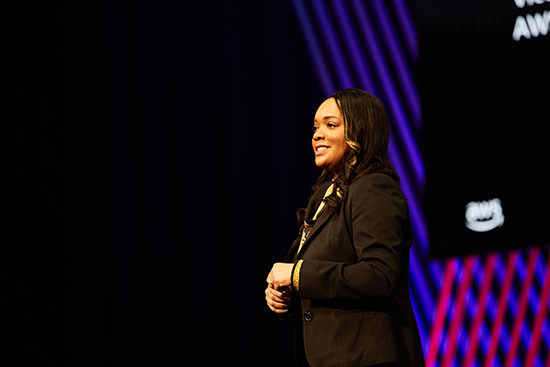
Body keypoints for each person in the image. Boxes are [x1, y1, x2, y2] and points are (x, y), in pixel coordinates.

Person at [265, 88, 425, 367]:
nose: (317, 135)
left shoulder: (373, 187)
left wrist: (298, 274)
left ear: (360, 131)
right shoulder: (324, 196)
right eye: (315, 127)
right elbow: (312, 282)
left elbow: (378, 275)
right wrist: (283, 294)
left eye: (330, 125)